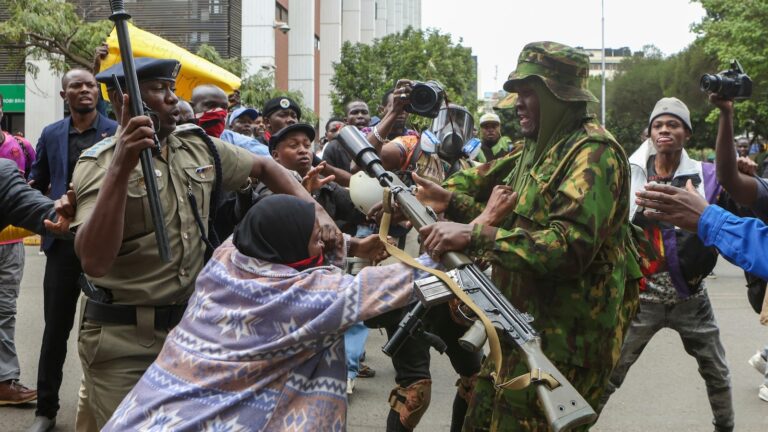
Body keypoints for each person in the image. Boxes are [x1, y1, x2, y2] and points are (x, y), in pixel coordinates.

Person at [70, 57, 341, 429]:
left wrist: (317, 212)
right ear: (121, 100)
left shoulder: (195, 147)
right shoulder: (98, 164)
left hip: (193, 331)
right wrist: (122, 164)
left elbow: (265, 167)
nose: (172, 99)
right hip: (124, 340)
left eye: (171, 89)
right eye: (158, 90)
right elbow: (94, 261)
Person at [408, 41, 641, 431]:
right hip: (517, 327)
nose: (517, 104)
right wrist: (441, 197)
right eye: (516, 93)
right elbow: (481, 184)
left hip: (567, 343)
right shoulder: (536, 148)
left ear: (559, 97)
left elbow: (568, 247)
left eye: (528, 92)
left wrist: (475, 236)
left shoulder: (593, 153)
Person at [99, 194, 439, 431]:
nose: (323, 245)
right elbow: (402, 281)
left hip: (145, 414)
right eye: (316, 239)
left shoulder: (225, 259)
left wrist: (351, 245)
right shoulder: (306, 297)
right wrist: (457, 235)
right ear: (289, 246)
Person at [598, 97, 734, 432]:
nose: (664, 130)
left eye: (673, 124)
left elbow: (737, 202)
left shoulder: (707, 175)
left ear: (687, 133)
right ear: (649, 132)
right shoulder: (629, 171)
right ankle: (576, 425)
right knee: (609, 373)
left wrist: (740, 170)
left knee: (717, 373)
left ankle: (726, 427)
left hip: (692, 298)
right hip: (641, 298)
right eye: (658, 125)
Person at [27, 68, 118, 432]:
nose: (84, 90)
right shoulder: (51, 134)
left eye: (90, 85)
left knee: (111, 331)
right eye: (76, 86)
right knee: (55, 330)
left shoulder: (116, 132)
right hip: (62, 246)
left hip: (106, 243)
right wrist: (43, 207)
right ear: (64, 95)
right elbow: (38, 181)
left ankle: (110, 407)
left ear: (98, 92)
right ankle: (45, 411)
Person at [0, 93, 38, 407]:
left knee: (4, 312)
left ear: (1, 110)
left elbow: (36, 188)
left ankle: (4, 381)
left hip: (10, 244)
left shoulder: (21, 147)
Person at [190, 84, 269, 157]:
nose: (220, 112)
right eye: (211, 105)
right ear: (191, 108)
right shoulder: (183, 138)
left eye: (224, 107)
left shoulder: (234, 140)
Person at [323, 101, 371, 172]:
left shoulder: (380, 141)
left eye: (364, 112)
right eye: (355, 112)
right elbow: (327, 175)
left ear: (370, 119)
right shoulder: (333, 147)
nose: (360, 116)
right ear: (346, 120)